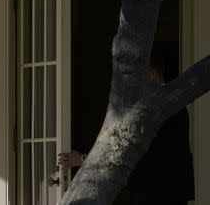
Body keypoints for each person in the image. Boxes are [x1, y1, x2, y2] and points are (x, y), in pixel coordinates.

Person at [58, 49, 194, 205]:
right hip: (174, 192)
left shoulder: (150, 109)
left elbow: (123, 149)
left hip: (153, 193)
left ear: (152, 74)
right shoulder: (178, 105)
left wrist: (82, 159)